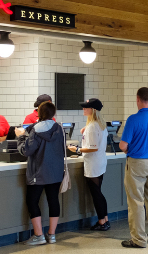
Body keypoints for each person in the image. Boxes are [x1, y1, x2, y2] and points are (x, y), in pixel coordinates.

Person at [119, 87, 148, 248]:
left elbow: (123, 145)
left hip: (137, 163)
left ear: (137, 99)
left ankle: (139, 239)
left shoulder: (133, 119)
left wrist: (129, 149)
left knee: (136, 201)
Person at [16, 101, 65, 245]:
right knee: (53, 200)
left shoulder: (35, 130)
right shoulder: (59, 128)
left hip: (38, 172)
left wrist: (21, 136)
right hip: (55, 172)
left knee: (32, 201)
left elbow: (26, 150)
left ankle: (39, 235)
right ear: (53, 113)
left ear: (38, 113)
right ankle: (52, 235)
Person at [68, 98, 109, 231]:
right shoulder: (99, 124)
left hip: (93, 163)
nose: (83, 109)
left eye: (86, 107)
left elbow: (93, 147)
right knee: (99, 192)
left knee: (96, 194)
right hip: (100, 162)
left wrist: (77, 149)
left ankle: (102, 221)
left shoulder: (92, 127)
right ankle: (105, 219)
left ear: (93, 110)